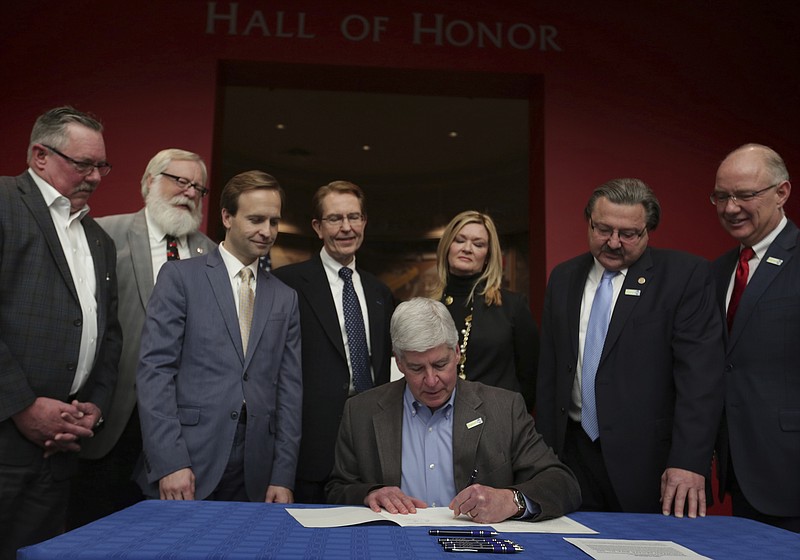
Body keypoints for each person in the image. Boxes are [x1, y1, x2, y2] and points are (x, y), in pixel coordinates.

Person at [536, 178, 724, 517]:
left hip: (651, 466)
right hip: (571, 458)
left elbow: (700, 379)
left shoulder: (684, 276)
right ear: (589, 222)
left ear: (648, 230)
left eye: (628, 234)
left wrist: (688, 461)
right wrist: (541, 461)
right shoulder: (564, 277)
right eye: (603, 229)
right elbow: (549, 374)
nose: (613, 242)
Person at [326, 297, 581, 523]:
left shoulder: (504, 409)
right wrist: (370, 493)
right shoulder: (361, 411)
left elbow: (562, 483)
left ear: (457, 352)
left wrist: (511, 500)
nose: (432, 380)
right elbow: (336, 490)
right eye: (417, 368)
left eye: (440, 364)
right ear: (400, 362)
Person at [67, 149, 217, 527]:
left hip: (180, 424)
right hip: (113, 411)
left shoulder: (210, 253)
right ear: (149, 181)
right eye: (178, 180)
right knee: (94, 524)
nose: (189, 192)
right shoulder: (102, 233)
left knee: (162, 532)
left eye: (197, 186)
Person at [134, 170, 302, 503]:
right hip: (189, 459)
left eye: (273, 221)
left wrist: (283, 476)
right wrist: (170, 462)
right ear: (226, 216)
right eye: (256, 219)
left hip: (257, 468)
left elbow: (290, 391)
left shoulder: (286, 297)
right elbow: (155, 372)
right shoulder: (180, 277)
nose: (266, 232)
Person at [0, 106, 122, 558]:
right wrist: (22, 406)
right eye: (83, 164)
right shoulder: (4, 204)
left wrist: (95, 406)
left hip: (62, 449)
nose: (95, 176)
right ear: (39, 156)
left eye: (101, 165)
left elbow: (109, 336)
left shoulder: (98, 240)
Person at [273, 180, 393, 503]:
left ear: (364, 222)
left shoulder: (381, 293)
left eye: (354, 217)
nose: (346, 227)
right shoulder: (287, 284)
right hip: (309, 453)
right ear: (317, 226)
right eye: (335, 219)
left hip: (371, 452)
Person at [711, 143, 800, 532]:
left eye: (745, 195)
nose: (730, 208)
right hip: (741, 470)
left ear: (782, 193)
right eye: (721, 196)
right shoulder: (719, 272)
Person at [429, 210, 538, 409]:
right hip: (439, 422)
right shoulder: (428, 308)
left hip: (497, 422)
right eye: (460, 240)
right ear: (447, 247)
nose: (467, 249)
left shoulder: (512, 306)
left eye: (478, 244)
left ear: (488, 256)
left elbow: (531, 377)